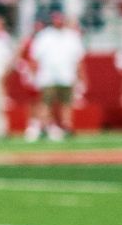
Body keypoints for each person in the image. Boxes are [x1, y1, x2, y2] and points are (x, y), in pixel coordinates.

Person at [27, 10, 84, 140]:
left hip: (66, 74)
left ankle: (66, 126)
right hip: (48, 75)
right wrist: (34, 74)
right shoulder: (44, 36)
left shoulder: (72, 36)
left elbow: (79, 58)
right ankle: (43, 126)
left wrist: (80, 76)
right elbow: (34, 58)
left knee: (66, 102)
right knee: (46, 102)